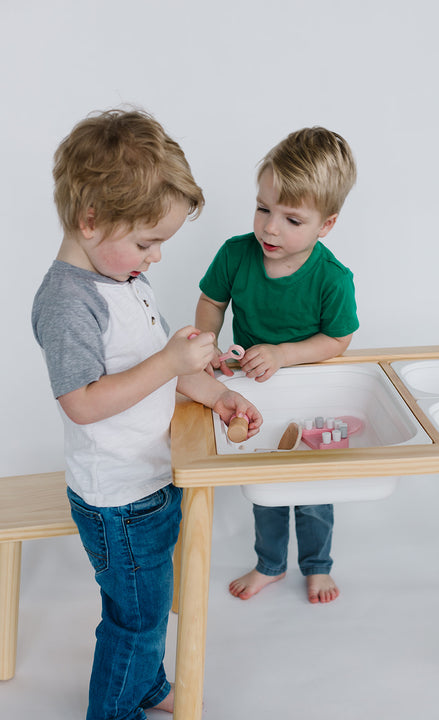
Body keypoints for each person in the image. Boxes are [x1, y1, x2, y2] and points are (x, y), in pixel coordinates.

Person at [31, 108, 262, 720]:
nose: (155, 257)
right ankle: (113, 709)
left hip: (150, 479)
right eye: (147, 241)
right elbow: (82, 402)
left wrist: (218, 395)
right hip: (117, 499)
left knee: (151, 604)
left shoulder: (122, 277)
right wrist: (167, 362)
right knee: (134, 618)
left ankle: (149, 680)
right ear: (91, 219)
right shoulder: (67, 302)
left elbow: (158, 368)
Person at [195, 127, 359, 605]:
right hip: (254, 390)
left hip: (312, 395)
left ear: (325, 224)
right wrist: (209, 346)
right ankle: (269, 562)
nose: (269, 228)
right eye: (264, 209)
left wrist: (285, 353)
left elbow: (339, 339)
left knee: (311, 493)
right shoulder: (235, 253)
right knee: (265, 486)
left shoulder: (333, 278)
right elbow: (211, 300)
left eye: (292, 219)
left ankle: (317, 565)